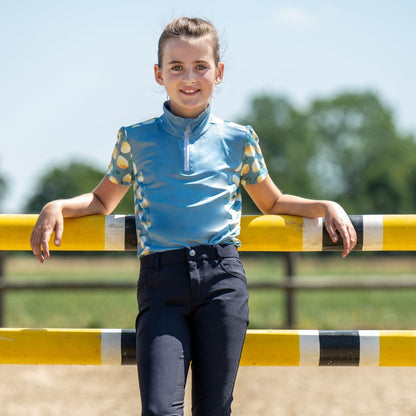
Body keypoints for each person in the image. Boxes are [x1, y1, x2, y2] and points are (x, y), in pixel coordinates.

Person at [30, 16, 357, 416]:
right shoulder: (135, 138)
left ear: (218, 73)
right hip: (160, 285)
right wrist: (55, 206)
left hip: (222, 282)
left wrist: (327, 207)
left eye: (201, 66)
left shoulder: (239, 139)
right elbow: (101, 202)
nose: (189, 77)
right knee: (159, 409)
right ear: (158, 74)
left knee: (214, 410)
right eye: (177, 67)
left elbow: (272, 203)